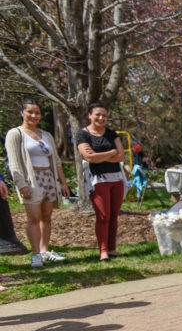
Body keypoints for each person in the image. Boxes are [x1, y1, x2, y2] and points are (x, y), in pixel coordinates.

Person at [6, 99, 71, 268]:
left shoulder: (46, 135)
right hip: (31, 179)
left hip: (48, 177)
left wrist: (63, 183)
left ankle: (44, 250)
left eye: (37, 113)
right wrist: (21, 184)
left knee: (46, 217)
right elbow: (14, 162)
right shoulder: (16, 134)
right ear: (22, 113)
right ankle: (36, 255)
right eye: (30, 112)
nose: (34, 116)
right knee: (34, 217)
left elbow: (56, 160)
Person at [76, 103, 128, 262]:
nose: (101, 118)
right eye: (97, 114)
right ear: (90, 115)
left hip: (116, 178)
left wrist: (100, 155)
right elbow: (89, 157)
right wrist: (111, 152)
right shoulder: (83, 134)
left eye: (104, 115)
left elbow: (121, 157)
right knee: (103, 215)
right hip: (98, 179)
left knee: (113, 215)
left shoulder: (111, 134)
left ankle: (112, 248)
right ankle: (103, 250)